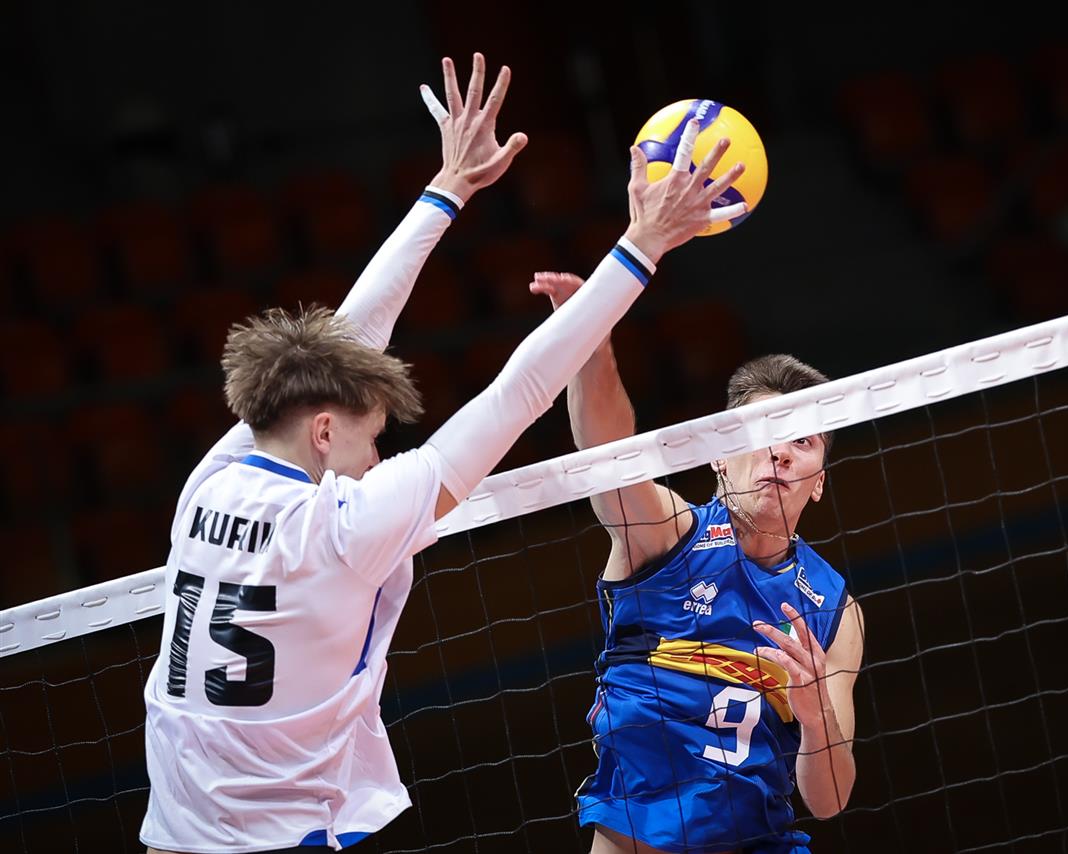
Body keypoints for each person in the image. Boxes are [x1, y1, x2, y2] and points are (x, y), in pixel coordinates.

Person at [140, 52, 748, 854]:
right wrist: (643, 244)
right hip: (278, 840)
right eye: (370, 437)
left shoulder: (212, 481)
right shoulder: (341, 525)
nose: (373, 458)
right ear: (323, 431)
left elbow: (343, 338)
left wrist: (450, 186)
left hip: (174, 833)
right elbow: (518, 392)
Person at [529, 273, 866, 853]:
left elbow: (830, 800)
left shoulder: (836, 611)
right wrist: (592, 334)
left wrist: (817, 720)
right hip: (641, 837)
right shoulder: (664, 536)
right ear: (719, 457)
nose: (781, 452)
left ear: (818, 484)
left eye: (803, 442)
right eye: (765, 432)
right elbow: (606, 454)